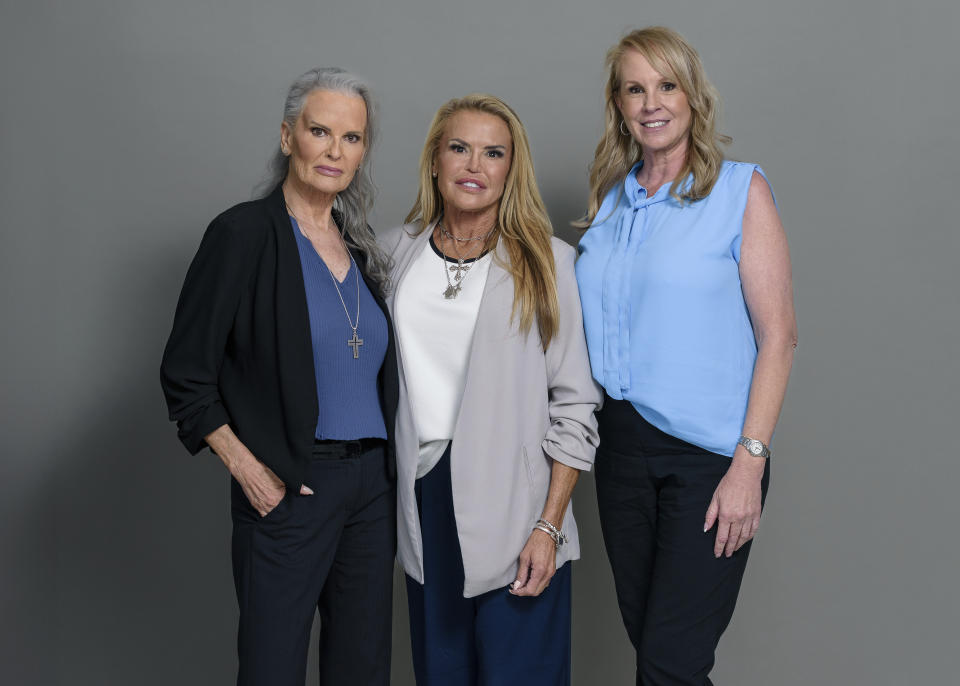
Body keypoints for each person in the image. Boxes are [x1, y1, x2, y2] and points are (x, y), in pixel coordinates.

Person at [160, 67, 397, 686]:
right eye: (320, 131)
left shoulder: (362, 245)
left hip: (371, 487)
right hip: (292, 482)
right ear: (289, 135)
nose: (334, 151)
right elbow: (186, 375)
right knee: (273, 668)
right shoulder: (241, 234)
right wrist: (247, 468)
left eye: (351, 138)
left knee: (362, 667)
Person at [575, 27, 798, 685]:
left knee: (670, 662)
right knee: (653, 650)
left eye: (666, 85)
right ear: (618, 104)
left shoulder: (739, 190)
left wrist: (748, 465)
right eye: (635, 89)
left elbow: (779, 336)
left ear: (692, 96)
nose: (652, 103)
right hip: (617, 455)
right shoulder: (611, 203)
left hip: (708, 458)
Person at [380, 93, 601, 686]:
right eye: (459, 148)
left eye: (493, 152)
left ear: (511, 168)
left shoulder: (549, 264)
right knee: (440, 673)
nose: (474, 165)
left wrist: (548, 526)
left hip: (518, 512)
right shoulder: (393, 254)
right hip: (425, 505)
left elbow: (576, 405)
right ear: (434, 160)